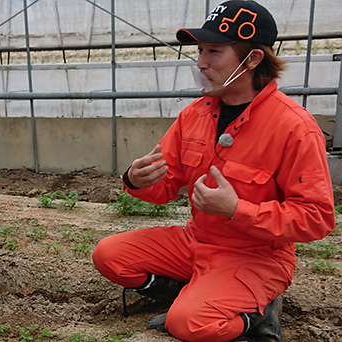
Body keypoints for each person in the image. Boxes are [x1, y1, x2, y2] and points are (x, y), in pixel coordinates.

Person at [92, 1, 335, 341]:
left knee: (187, 324)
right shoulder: (195, 115)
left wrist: (237, 210)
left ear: (252, 60)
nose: (201, 63)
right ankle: (196, 294)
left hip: (257, 258)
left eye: (215, 52)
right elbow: (162, 189)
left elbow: (317, 218)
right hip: (197, 242)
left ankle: (257, 316)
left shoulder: (293, 127)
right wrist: (135, 180)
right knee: (109, 255)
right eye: (200, 50)